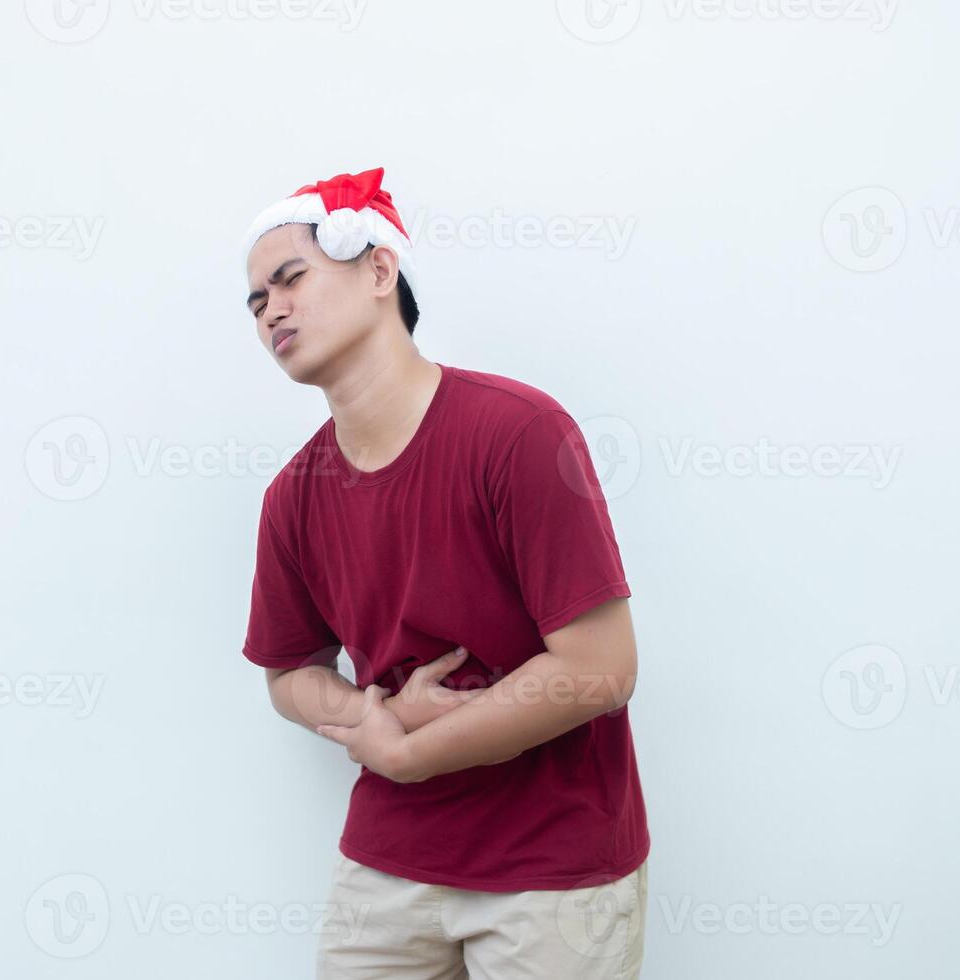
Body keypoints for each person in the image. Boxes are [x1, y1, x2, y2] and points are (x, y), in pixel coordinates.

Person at [240, 167, 649, 979]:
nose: (271, 311)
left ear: (379, 270)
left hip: (552, 867)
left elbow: (602, 670)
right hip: (386, 864)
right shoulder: (292, 497)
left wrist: (408, 752)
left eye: (291, 279)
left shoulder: (519, 432)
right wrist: (373, 715)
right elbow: (289, 676)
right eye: (255, 303)